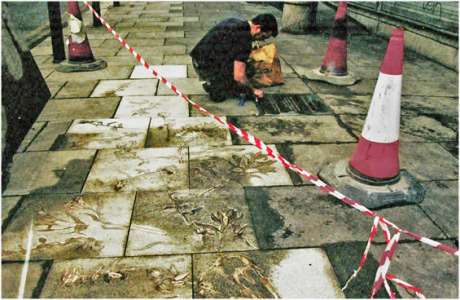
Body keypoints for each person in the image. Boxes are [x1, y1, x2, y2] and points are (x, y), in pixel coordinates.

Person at [190, 14, 278, 102]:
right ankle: (214, 84)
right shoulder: (244, 39)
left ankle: (218, 81)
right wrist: (253, 90)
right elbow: (239, 76)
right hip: (204, 65)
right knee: (246, 73)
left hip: (198, 57)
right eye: (263, 36)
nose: (262, 40)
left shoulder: (236, 22)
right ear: (258, 28)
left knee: (246, 67)